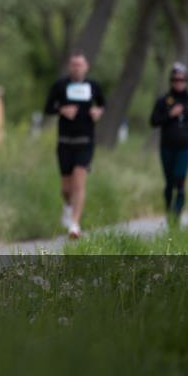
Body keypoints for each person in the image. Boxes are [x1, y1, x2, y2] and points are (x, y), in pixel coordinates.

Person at [44, 51, 106, 239]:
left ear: (86, 67)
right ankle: (68, 206)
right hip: (65, 141)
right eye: (74, 64)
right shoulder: (60, 86)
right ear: (69, 67)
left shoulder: (93, 86)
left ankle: (75, 224)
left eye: (80, 64)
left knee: (79, 183)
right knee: (66, 188)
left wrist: (98, 111)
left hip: (85, 141)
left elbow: (103, 104)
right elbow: (48, 108)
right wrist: (62, 109)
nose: (77, 68)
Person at [149, 63, 188, 225]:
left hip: (184, 146)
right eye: (176, 80)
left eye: (182, 80)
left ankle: (176, 216)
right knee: (169, 182)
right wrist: (170, 114)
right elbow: (154, 121)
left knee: (180, 180)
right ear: (171, 81)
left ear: (186, 81)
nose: (179, 82)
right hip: (167, 146)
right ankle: (168, 210)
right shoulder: (164, 100)